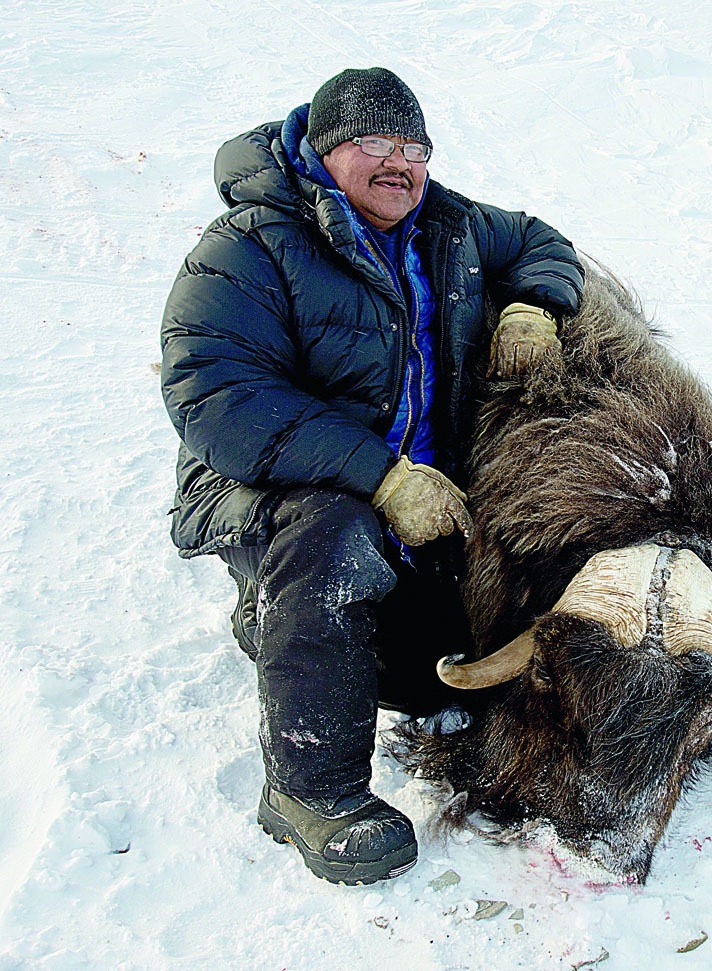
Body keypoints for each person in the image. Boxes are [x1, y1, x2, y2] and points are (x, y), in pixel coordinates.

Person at [159, 67, 584, 884]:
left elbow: (541, 241)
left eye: (413, 147)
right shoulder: (248, 245)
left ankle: (288, 626)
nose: (398, 164)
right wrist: (381, 476)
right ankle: (310, 791)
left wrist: (535, 301)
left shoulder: (449, 225)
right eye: (373, 146)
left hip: (420, 494)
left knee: (435, 672)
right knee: (337, 537)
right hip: (271, 488)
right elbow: (217, 396)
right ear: (323, 151)